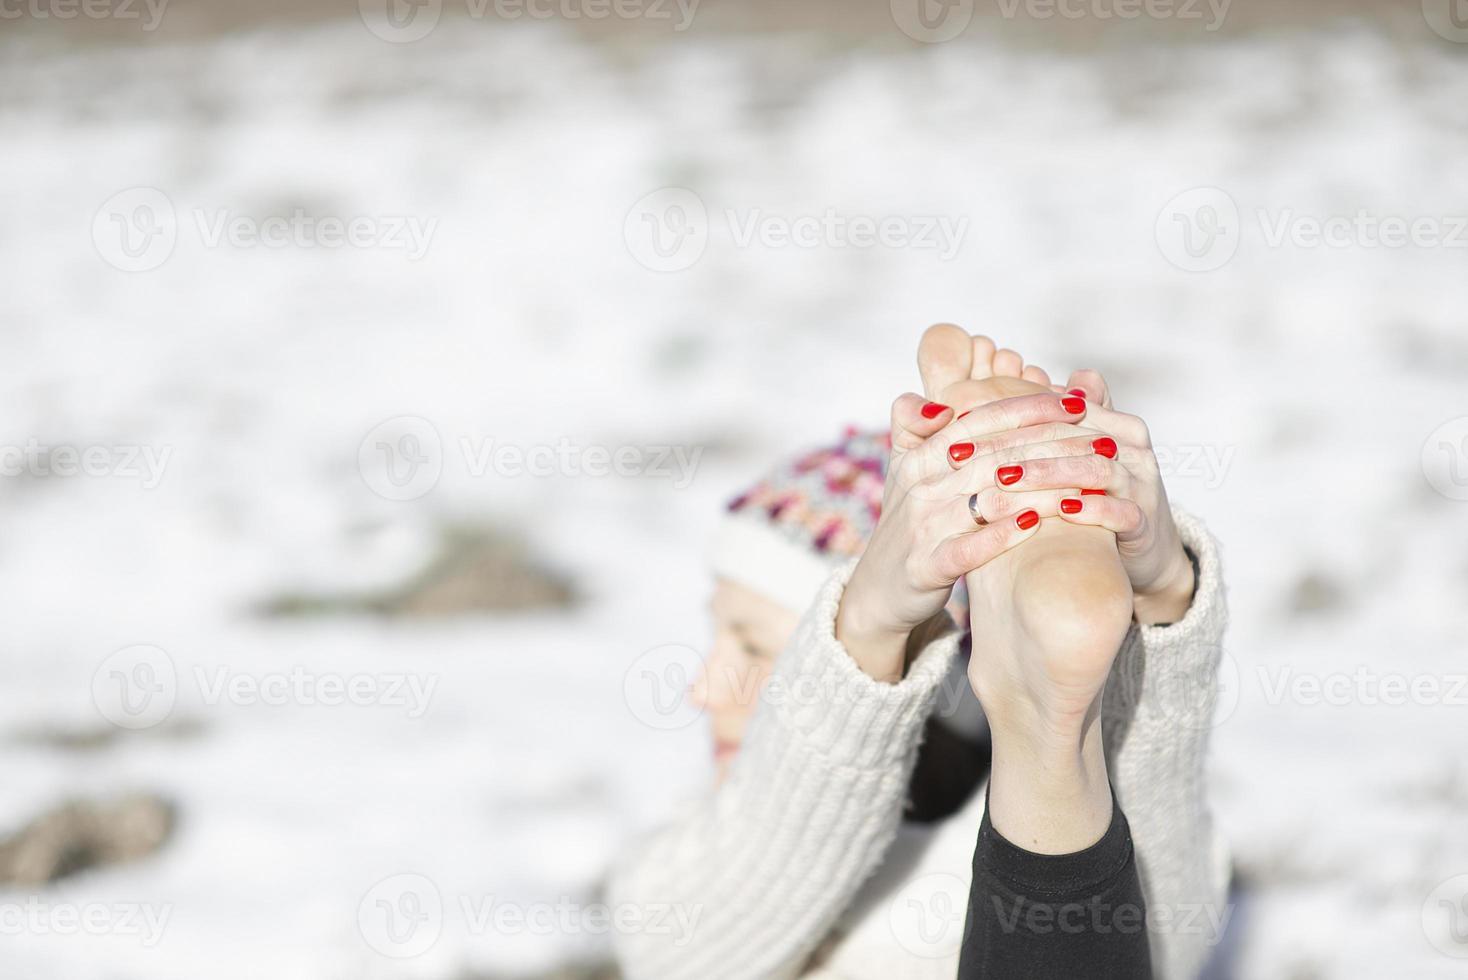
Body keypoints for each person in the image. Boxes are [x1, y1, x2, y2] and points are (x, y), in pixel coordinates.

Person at [610, 326, 1229, 978]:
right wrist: (872, 622)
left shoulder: (931, 891)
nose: (704, 688)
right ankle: (1046, 756)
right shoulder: (690, 848)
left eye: (754, 645)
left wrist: (860, 640)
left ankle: (1046, 745)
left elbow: (1163, 947)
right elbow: (671, 952)